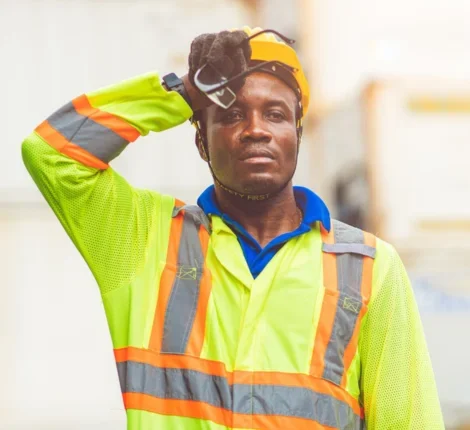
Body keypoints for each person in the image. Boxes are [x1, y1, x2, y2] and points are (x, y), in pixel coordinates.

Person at [22, 26, 444, 430]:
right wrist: (183, 92)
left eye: (276, 114)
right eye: (232, 114)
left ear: (297, 133)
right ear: (201, 140)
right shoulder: (144, 241)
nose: (256, 129)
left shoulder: (369, 268)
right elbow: (51, 153)